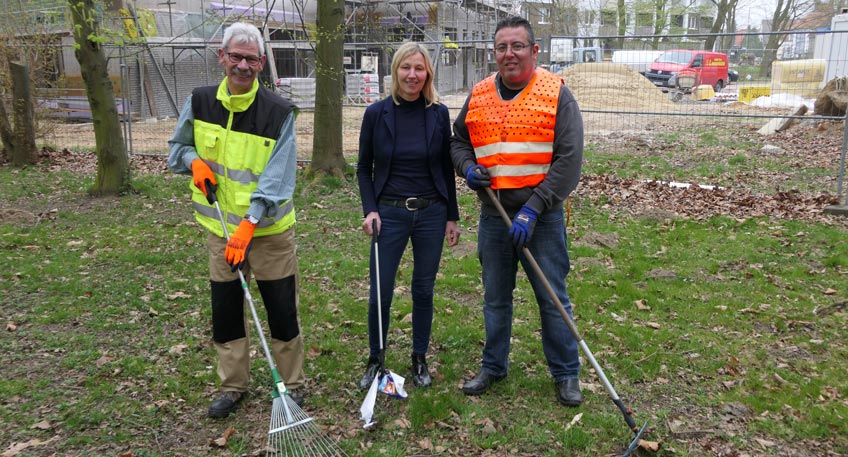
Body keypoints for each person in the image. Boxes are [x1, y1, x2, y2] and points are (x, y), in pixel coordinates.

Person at [167, 22, 305, 418]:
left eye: (250, 59)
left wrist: (249, 224)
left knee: (281, 311)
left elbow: (278, 178)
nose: (242, 66)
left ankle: (291, 386)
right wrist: (193, 162)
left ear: (261, 63)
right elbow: (177, 148)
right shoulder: (200, 102)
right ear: (221, 56)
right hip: (219, 233)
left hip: (268, 234)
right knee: (226, 311)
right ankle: (232, 386)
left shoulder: (278, 113)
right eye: (236, 57)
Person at [450, 16, 584, 407]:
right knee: (495, 297)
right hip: (494, 215)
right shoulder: (478, 94)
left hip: (540, 218)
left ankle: (566, 373)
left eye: (517, 46)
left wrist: (535, 207)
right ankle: (493, 366)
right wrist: (467, 168)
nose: (509, 54)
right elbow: (458, 141)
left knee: (552, 296)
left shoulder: (556, 93)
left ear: (534, 51)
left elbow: (569, 159)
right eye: (502, 48)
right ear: (494, 53)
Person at [356, 42, 460, 389]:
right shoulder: (376, 114)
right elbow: (363, 168)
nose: (412, 75)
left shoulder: (438, 113)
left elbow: (446, 168)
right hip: (390, 214)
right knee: (381, 291)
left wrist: (452, 216)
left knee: (423, 289)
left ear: (427, 73)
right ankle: (376, 358)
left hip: (432, 213)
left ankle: (419, 358)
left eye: (419, 68)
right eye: (406, 68)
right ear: (396, 71)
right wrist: (370, 209)